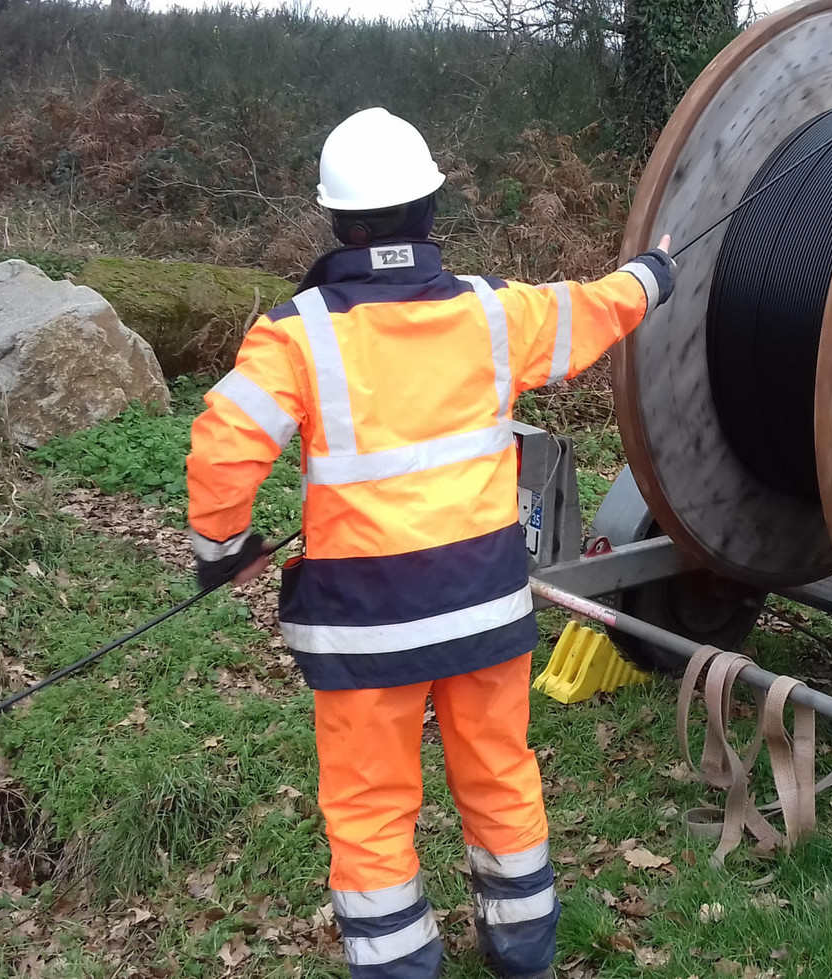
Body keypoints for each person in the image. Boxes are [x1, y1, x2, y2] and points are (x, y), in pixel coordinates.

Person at [184, 107, 674, 979]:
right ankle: (524, 954)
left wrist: (222, 546)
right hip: (483, 609)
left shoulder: (297, 332)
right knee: (499, 775)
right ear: (429, 212)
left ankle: (402, 965)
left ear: (337, 221)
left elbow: (225, 443)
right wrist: (654, 272)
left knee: (371, 809)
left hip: (366, 627)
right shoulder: (493, 316)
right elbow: (595, 310)